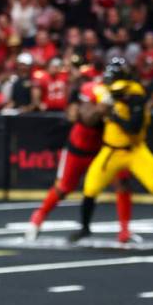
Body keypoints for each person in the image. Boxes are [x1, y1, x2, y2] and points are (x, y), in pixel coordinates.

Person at [72, 57, 153, 245]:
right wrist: (99, 109)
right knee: (90, 187)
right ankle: (85, 228)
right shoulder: (106, 93)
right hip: (111, 151)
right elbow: (87, 119)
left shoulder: (135, 94)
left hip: (135, 150)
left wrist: (113, 113)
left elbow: (133, 127)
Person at [27, 65, 134, 243]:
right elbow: (85, 118)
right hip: (80, 147)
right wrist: (103, 107)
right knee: (64, 188)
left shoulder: (127, 93)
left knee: (122, 181)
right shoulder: (93, 92)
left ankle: (124, 231)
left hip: (104, 149)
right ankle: (37, 218)